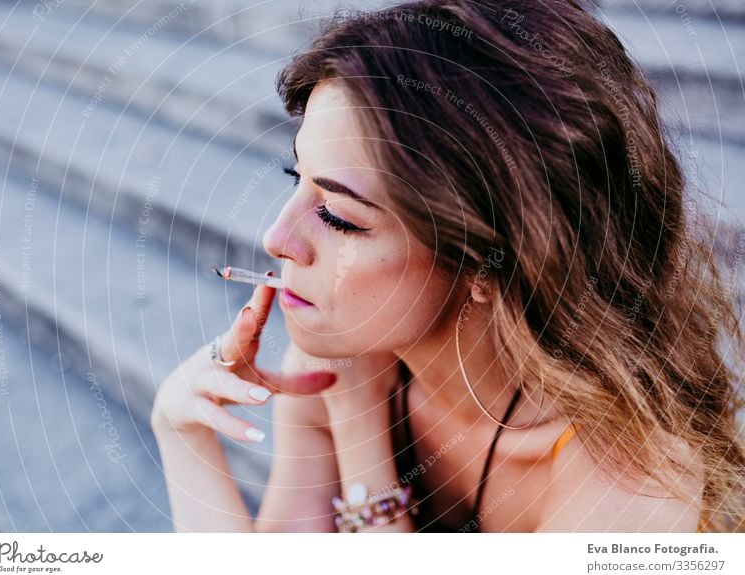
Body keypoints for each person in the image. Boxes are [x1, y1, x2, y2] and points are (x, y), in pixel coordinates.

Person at [150, 0, 745, 533]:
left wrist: (359, 432)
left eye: (338, 217)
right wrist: (182, 434)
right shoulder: (338, 366)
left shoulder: (630, 482)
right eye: (295, 177)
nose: (277, 238)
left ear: (493, 258)